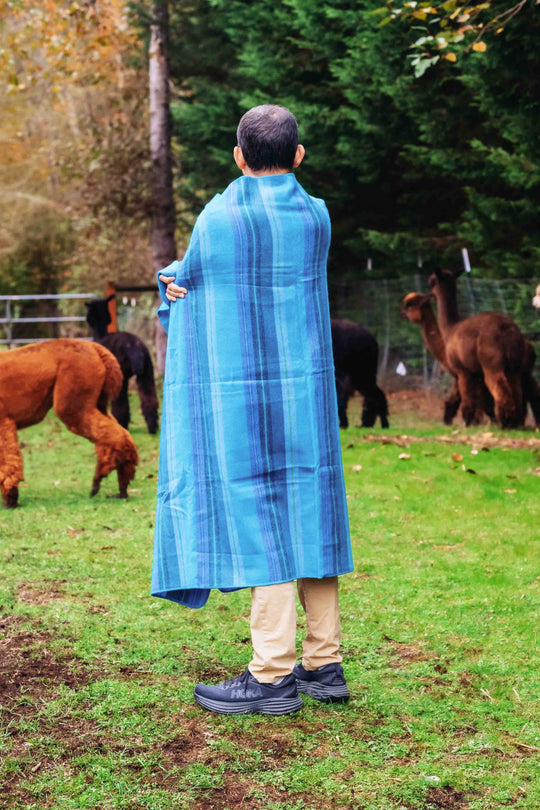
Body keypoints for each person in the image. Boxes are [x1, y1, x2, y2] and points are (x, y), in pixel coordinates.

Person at [152, 104, 353, 716]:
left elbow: (189, 280)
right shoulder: (316, 217)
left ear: (238, 157)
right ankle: (324, 664)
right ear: (298, 155)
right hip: (307, 390)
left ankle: (270, 676)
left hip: (243, 391)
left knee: (263, 510)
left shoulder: (218, 217)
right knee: (310, 507)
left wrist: (170, 281)